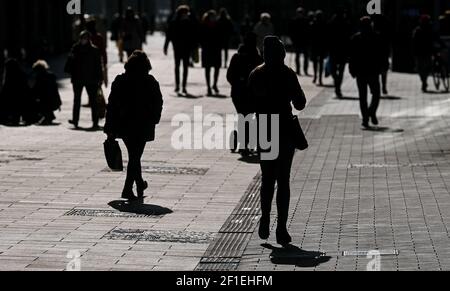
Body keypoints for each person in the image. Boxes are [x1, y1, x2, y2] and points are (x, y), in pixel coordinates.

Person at [248, 36, 307, 246]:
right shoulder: (287, 73)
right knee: (283, 179)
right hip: (285, 129)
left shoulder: (257, 73)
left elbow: (248, 102)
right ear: (281, 54)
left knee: (267, 178)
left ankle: (265, 217)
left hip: (265, 128)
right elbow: (300, 103)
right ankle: (281, 227)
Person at [104, 51, 163, 201]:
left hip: (124, 124)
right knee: (135, 156)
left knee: (134, 156)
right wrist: (154, 118)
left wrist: (109, 127)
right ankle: (127, 189)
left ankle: (139, 184)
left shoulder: (120, 81)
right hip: (142, 124)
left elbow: (111, 105)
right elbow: (158, 103)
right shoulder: (150, 82)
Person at [227, 32, 264, 156]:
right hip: (252, 94)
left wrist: (237, 84)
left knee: (243, 116)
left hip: (238, 93)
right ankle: (245, 143)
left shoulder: (236, 57)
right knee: (249, 117)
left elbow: (229, 76)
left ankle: (243, 143)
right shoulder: (258, 58)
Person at [349, 17, 384, 129]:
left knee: (362, 97)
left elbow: (352, 57)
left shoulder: (356, 38)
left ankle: (366, 118)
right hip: (373, 71)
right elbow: (381, 54)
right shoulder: (376, 37)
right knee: (376, 94)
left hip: (361, 72)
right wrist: (383, 67)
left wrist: (352, 70)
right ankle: (371, 112)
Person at [65, 30, 103, 129]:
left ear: (89, 39)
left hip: (91, 79)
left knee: (93, 101)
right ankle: (75, 120)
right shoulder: (75, 48)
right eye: (82, 38)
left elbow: (98, 66)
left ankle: (95, 122)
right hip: (78, 79)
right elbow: (70, 62)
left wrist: (100, 78)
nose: (83, 40)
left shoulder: (94, 50)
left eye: (85, 38)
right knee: (77, 100)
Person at [164, 5, 198, 95]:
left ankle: (183, 86)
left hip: (187, 48)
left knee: (185, 67)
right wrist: (166, 46)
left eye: (186, 13)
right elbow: (168, 35)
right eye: (184, 13)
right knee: (177, 66)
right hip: (178, 48)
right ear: (180, 13)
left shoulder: (190, 23)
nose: (186, 14)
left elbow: (194, 35)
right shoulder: (174, 23)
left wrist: (194, 47)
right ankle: (178, 85)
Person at [0, 58, 34, 126]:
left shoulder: (9, 76)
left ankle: (11, 118)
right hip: (21, 99)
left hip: (15, 99)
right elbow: (26, 87)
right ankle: (15, 118)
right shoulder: (21, 74)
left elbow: (6, 89)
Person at [328, 9, 352, 97]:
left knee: (333, 70)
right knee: (340, 71)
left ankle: (337, 84)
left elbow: (328, 37)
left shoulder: (332, 23)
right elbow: (349, 38)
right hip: (342, 51)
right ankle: (338, 86)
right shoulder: (346, 24)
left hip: (334, 50)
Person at [31, 60, 62, 125]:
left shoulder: (40, 77)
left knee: (37, 100)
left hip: (46, 101)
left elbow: (36, 90)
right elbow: (55, 90)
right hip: (54, 100)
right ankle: (49, 116)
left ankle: (47, 116)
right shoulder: (51, 76)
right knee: (45, 98)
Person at [200, 10, 222, 96]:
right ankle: (208, 86)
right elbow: (201, 37)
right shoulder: (204, 25)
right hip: (207, 50)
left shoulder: (218, 25)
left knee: (217, 68)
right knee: (207, 69)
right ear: (208, 17)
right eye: (212, 16)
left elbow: (221, 36)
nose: (213, 18)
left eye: (214, 16)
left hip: (216, 49)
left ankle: (214, 84)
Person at [412, 15, 434, 93]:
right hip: (421, 52)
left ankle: (424, 81)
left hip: (424, 52)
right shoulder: (418, 30)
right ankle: (424, 81)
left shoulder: (428, 30)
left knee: (422, 68)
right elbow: (414, 42)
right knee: (422, 68)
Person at [86, 19, 108, 87]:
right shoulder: (98, 37)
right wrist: (105, 61)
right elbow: (103, 50)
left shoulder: (86, 37)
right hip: (97, 61)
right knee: (98, 79)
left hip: (89, 62)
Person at [289, 7, 311, 76]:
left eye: (301, 13)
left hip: (304, 41)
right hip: (297, 41)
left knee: (306, 56)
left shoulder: (306, 20)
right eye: (299, 13)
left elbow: (308, 31)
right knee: (298, 56)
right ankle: (298, 70)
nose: (300, 14)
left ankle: (305, 70)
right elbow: (291, 31)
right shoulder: (294, 20)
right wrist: (292, 39)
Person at [373, 15, 391, 95]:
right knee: (383, 73)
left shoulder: (373, 31)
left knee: (376, 73)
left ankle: (379, 88)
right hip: (383, 55)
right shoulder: (386, 32)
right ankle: (383, 87)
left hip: (377, 55)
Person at [310, 10, 328, 86]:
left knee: (315, 62)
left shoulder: (312, 24)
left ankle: (316, 77)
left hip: (315, 45)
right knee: (320, 63)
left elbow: (309, 36)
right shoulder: (324, 24)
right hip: (320, 45)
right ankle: (319, 78)